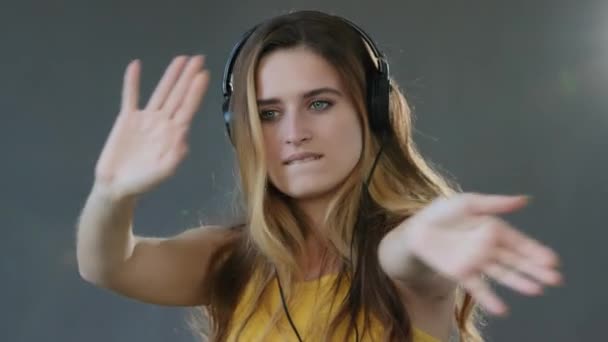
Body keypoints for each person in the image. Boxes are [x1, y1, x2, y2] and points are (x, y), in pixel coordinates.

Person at [76, 10, 563, 342]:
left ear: (373, 112)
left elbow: (406, 256)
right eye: (268, 113)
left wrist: (427, 234)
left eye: (319, 103)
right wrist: (111, 193)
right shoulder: (233, 259)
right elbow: (109, 265)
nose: (294, 132)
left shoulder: (406, 253)